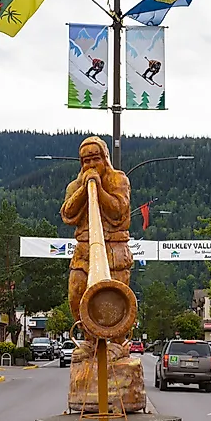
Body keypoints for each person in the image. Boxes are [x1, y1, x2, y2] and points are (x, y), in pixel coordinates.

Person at [60, 136, 133, 336]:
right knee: (76, 293)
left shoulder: (118, 179)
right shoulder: (75, 186)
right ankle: (89, 338)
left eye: (95, 158)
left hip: (114, 247)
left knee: (116, 296)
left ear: (105, 158)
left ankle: (116, 342)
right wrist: (85, 189)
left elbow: (118, 211)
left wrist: (99, 189)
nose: (91, 164)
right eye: (86, 161)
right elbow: (67, 214)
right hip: (85, 247)